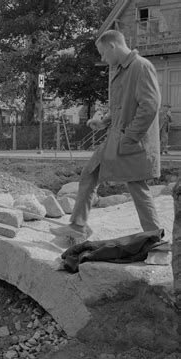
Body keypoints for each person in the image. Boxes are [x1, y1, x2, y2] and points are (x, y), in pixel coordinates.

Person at [51, 30, 162, 240]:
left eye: (103, 53)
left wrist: (129, 136)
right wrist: (104, 121)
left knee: (137, 186)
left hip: (132, 141)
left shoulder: (141, 67)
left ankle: (156, 242)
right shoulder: (121, 69)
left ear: (113, 46)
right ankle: (77, 226)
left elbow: (149, 107)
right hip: (116, 137)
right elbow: (121, 107)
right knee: (89, 172)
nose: (103, 59)